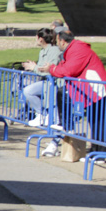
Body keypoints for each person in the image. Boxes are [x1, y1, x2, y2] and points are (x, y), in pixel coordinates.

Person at [40, 30, 106, 149]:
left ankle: (101, 151)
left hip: (96, 89)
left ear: (63, 41)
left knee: (98, 120)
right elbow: (65, 68)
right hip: (88, 88)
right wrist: (54, 69)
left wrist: (52, 69)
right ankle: (94, 146)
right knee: (93, 119)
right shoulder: (72, 50)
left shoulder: (78, 49)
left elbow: (69, 70)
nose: (56, 44)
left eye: (57, 41)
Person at [20, 28, 64, 156]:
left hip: (54, 85)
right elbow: (41, 69)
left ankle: (54, 143)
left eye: (36, 36)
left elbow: (48, 69)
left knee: (55, 117)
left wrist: (34, 68)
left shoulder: (54, 51)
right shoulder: (42, 51)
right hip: (45, 84)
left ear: (41, 38)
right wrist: (33, 67)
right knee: (28, 91)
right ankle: (41, 114)